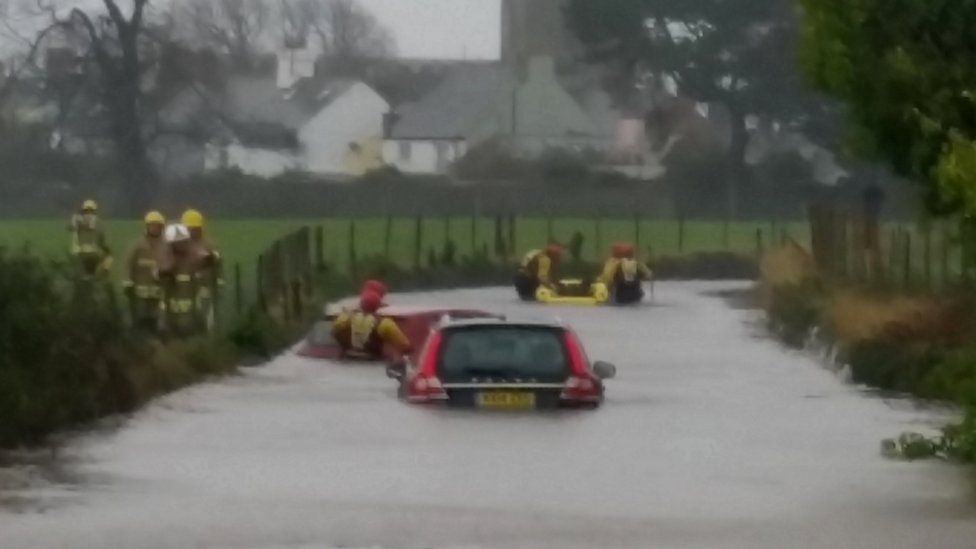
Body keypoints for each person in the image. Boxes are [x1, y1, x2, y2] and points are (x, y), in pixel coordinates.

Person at [158, 223, 211, 338]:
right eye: (177, 243)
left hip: (192, 313)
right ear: (170, 244)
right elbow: (160, 273)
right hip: (170, 314)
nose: (180, 245)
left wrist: (208, 258)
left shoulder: (194, 255)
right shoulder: (165, 260)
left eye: (183, 242)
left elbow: (207, 259)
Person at [331, 290, 411, 360]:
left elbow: (334, 330)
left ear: (360, 305)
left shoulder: (346, 317)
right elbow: (404, 345)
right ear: (377, 307)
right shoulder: (385, 323)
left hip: (349, 357)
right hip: (372, 360)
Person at [123, 211, 167, 332]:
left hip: (158, 291)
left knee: (157, 319)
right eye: (152, 225)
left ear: (162, 227)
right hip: (140, 290)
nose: (154, 228)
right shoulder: (138, 244)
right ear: (147, 227)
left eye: (157, 226)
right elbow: (129, 263)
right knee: (139, 318)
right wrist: (127, 282)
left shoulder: (165, 245)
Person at [182, 209, 223, 332]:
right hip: (186, 288)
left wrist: (209, 257)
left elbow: (218, 259)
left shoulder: (208, 243)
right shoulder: (180, 244)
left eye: (195, 228)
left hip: (206, 285)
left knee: (208, 316)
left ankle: (207, 335)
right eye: (189, 228)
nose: (192, 231)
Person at [68, 199, 112, 278]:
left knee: (80, 274)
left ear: (83, 210)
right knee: (109, 256)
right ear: (94, 210)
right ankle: (105, 272)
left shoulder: (77, 219)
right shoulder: (98, 221)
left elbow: (69, 228)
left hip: (79, 253)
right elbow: (103, 240)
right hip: (94, 253)